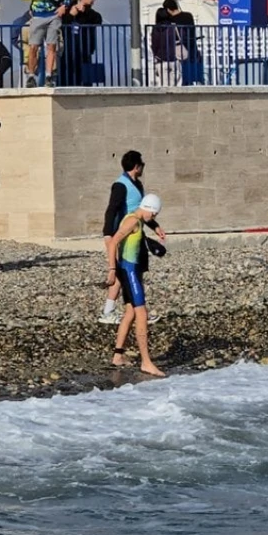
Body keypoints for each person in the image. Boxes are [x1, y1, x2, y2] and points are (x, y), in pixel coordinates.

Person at [100, 151, 165, 324]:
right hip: (123, 235)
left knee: (137, 270)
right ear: (137, 166)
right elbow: (111, 209)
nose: (143, 167)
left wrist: (155, 226)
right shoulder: (120, 185)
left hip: (136, 233)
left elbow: (142, 210)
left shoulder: (137, 184)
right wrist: (108, 234)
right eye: (142, 164)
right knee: (123, 272)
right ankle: (108, 311)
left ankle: (139, 308)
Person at [105, 194, 166, 376]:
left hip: (129, 270)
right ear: (150, 210)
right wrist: (112, 269)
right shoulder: (133, 222)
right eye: (153, 216)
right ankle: (146, 362)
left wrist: (155, 228)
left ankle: (117, 356)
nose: (153, 219)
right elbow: (114, 242)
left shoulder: (135, 217)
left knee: (130, 312)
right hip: (129, 271)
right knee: (141, 313)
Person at [20, 0, 73, 87]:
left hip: (54, 14)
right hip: (38, 15)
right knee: (33, 47)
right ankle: (31, 75)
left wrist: (64, 6)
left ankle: (49, 76)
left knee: (51, 46)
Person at [62, 0, 103, 87]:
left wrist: (84, 10)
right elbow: (63, 23)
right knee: (68, 80)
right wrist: (72, 13)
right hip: (68, 52)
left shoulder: (92, 14)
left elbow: (98, 20)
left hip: (86, 50)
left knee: (86, 82)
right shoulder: (69, 10)